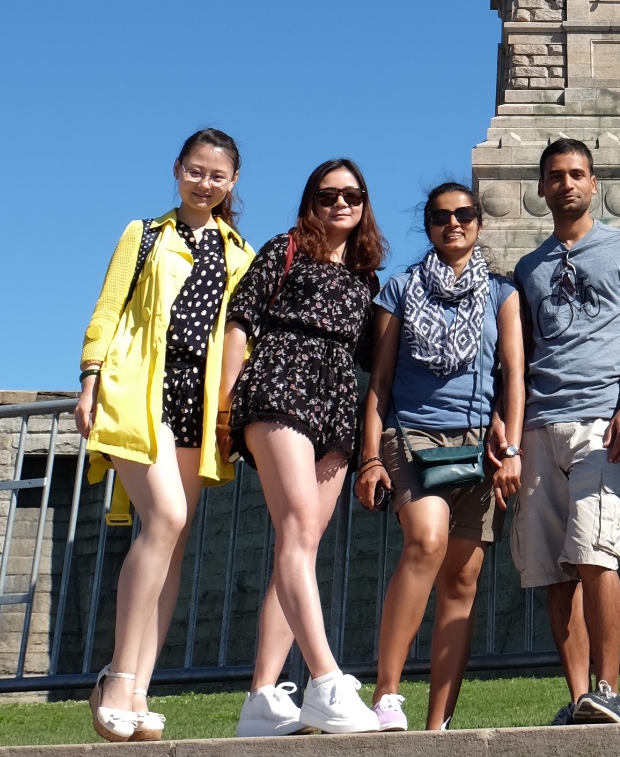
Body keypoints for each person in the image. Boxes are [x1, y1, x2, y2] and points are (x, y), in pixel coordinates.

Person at [76, 129, 253, 743]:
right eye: (195, 170)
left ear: (232, 183)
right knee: (168, 518)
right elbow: (108, 307)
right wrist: (90, 378)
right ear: (177, 170)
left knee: (170, 540)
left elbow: (239, 339)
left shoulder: (239, 254)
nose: (205, 182)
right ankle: (115, 678)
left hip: (196, 406)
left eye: (218, 175)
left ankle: (139, 690)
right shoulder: (144, 234)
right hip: (138, 390)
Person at [225, 160, 387, 738]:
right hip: (281, 383)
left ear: (365, 204)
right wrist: (225, 405)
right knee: (296, 531)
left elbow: (378, 361)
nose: (340, 203)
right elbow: (239, 324)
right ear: (311, 202)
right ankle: (324, 681)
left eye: (352, 194)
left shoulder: (369, 279)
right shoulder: (286, 248)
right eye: (327, 195)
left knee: (302, 546)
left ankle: (262, 699)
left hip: (337, 402)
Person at [355, 183, 525, 732]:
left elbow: (514, 375)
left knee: (462, 581)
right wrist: (369, 457)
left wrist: (513, 444)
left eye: (464, 214)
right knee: (425, 541)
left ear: (478, 222)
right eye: (440, 216)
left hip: (478, 443)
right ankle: (386, 694)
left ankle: (438, 726)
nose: (453, 224)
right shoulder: (400, 289)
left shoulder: (502, 292)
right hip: (413, 434)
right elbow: (378, 379)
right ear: (427, 225)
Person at [511, 138, 620, 726]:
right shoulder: (528, 268)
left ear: (594, 184)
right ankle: (579, 699)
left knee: (598, 554)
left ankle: (610, 688)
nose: (567, 183)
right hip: (539, 424)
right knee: (553, 569)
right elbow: (518, 360)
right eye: (556, 176)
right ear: (542, 188)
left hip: (601, 418)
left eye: (577, 174)